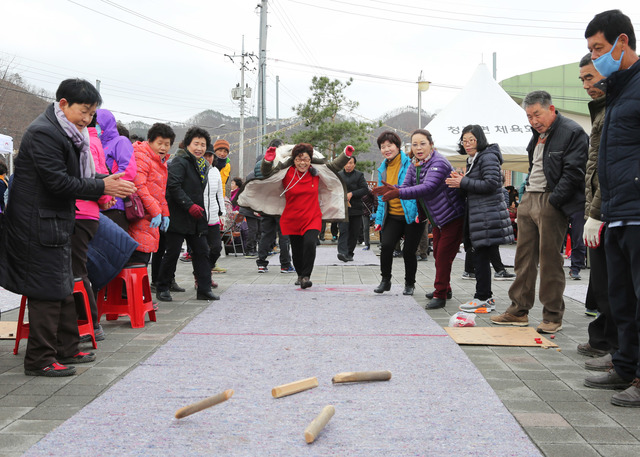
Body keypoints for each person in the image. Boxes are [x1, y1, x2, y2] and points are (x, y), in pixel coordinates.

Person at [0, 78, 136, 377]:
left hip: (56, 221)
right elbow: (58, 182)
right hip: (37, 224)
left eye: (91, 114)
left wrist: (105, 181)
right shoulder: (44, 133)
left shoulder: (67, 132)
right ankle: (39, 359)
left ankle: (66, 347)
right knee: (47, 291)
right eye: (84, 112)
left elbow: (72, 177)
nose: (87, 120)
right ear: (63, 104)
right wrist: (102, 185)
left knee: (63, 285)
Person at [490, 90, 588, 333]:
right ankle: (518, 310)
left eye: (537, 114)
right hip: (529, 198)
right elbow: (535, 166)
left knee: (550, 261)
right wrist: (525, 198)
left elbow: (575, 172)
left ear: (551, 109)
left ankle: (553, 315)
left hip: (550, 200)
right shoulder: (537, 135)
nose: (533, 120)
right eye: (529, 116)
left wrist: (555, 201)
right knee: (523, 258)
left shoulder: (572, 131)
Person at [583, 10, 640, 405]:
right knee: (621, 297)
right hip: (617, 209)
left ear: (623, 42)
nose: (595, 57)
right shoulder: (619, 91)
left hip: (637, 208)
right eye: (590, 50)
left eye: (599, 48)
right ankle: (626, 365)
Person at [243, 143, 351, 288]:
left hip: (312, 217)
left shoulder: (316, 172)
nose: (303, 163)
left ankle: (306, 276)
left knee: (310, 244)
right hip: (292, 217)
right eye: (299, 159)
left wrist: (346, 154)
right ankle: (300, 274)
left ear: (310, 160)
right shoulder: (286, 172)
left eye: (306, 159)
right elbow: (267, 174)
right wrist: (268, 160)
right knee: (297, 248)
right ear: (294, 160)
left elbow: (334, 167)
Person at [375, 129, 464, 305]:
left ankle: (439, 294)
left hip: (451, 215)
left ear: (431, 144)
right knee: (438, 254)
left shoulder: (438, 162)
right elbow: (406, 185)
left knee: (440, 254)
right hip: (436, 217)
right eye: (415, 144)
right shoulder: (416, 163)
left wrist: (398, 192)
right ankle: (444, 288)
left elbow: (427, 187)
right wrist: (391, 189)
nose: (418, 147)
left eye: (422, 143)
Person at [575, 53, 618, 369]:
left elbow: (610, 167)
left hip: (611, 211)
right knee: (603, 284)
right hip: (599, 208)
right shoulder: (602, 111)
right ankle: (607, 343)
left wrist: (596, 213)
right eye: (583, 80)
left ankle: (617, 351)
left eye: (590, 77)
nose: (587, 85)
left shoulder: (617, 108)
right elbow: (594, 168)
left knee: (614, 287)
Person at [446, 125, 514, 313]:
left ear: (480, 139)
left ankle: (483, 297)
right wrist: (461, 181)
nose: (467, 144)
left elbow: (492, 183)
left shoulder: (487, 156)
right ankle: (485, 297)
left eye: (471, 140)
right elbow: (476, 185)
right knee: (480, 255)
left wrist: (463, 181)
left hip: (487, 214)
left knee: (481, 255)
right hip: (480, 214)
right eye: (464, 140)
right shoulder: (474, 159)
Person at [155, 127, 218, 302]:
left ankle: (204, 289)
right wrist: (189, 206)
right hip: (178, 215)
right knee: (172, 252)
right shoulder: (180, 162)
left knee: (202, 252)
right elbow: (173, 187)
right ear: (188, 144)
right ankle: (163, 287)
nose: (199, 148)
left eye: (203, 145)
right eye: (196, 144)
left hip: (196, 218)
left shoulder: (202, 165)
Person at [71, 114, 115, 343]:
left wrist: (104, 195)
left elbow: (96, 175)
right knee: (79, 269)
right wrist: (105, 196)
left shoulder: (84, 139)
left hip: (80, 211)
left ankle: (90, 323)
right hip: (88, 211)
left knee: (76, 272)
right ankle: (88, 322)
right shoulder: (90, 138)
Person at [371, 131, 421, 296]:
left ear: (397, 146)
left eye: (389, 145)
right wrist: (378, 219)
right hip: (392, 215)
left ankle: (409, 283)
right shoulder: (382, 169)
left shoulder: (411, 164)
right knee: (386, 247)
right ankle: (385, 280)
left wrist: (418, 212)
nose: (386, 149)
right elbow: (381, 196)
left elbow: (415, 190)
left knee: (408, 251)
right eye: (383, 147)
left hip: (412, 216)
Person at [127, 123, 175, 266]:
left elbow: (160, 192)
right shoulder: (142, 156)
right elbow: (139, 186)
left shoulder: (161, 162)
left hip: (150, 216)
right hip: (140, 213)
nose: (163, 148)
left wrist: (165, 213)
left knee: (143, 258)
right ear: (150, 140)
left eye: (167, 144)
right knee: (138, 258)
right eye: (159, 143)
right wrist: (156, 211)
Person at [253, 139, 295, 274]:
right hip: (281, 204)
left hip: (265, 204)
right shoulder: (282, 163)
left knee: (266, 234)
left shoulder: (259, 163)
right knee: (284, 235)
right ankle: (285, 265)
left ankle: (261, 263)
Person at [96, 109, 137, 231]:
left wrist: (108, 187)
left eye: (97, 124)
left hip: (115, 204)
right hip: (99, 203)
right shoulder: (96, 145)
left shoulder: (121, 141)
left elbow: (128, 171)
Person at [337, 155, 369, 262]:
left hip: (356, 208)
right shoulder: (339, 175)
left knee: (354, 232)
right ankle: (342, 253)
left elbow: (365, 189)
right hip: (343, 209)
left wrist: (352, 194)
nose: (348, 165)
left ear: (354, 164)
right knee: (343, 230)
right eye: (346, 163)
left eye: (351, 163)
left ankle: (349, 253)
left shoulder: (359, 175)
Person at [202, 146, 225, 288]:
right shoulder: (196, 171)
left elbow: (219, 194)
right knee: (201, 250)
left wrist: (222, 212)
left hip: (214, 217)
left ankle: (206, 271)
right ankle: (202, 277)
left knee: (216, 248)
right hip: (199, 216)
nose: (208, 158)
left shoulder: (216, 171)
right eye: (206, 155)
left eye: (210, 156)